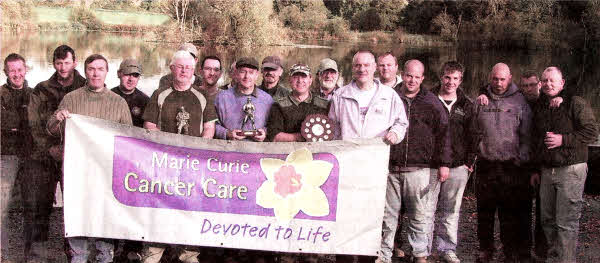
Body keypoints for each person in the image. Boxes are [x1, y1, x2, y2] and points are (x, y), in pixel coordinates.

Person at [47, 54, 132, 263]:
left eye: (100, 69)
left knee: (104, 225)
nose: (96, 73)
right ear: (85, 71)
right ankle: (78, 257)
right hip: (78, 174)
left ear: (107, 72)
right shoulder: (71, 98)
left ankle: (105, 256)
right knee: (78, 223)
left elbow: (129, 139)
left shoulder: (118, 102)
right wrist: (57, 119)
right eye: (92, 69)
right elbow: (50, 130)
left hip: (106, 174)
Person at [328, 50, 408, 263]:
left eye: (366, 65)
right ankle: (343, 258)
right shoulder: (340, 95)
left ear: (374, 67)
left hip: (374, 168)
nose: (362, 69)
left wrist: (396, 134)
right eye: (357, 65)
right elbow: (333, 129)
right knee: (345, 217)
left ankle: (366, 258)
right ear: (352, 68)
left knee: (370, 218)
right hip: (347, 167)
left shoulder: (389, 96)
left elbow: (401, 122)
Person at [381, 59, 451, 263]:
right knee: (388, 217)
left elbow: (444, 134)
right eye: (409, 75)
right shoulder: (389, 96)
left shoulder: (432, 102)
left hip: (419, 169)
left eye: (417, 77)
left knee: (418, 216)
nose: (412, 80)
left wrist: (444, 163)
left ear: (423, 78)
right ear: (403, 74)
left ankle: (420, 255)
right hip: (391, 168)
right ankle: (383, 255)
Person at [530, 67, 598, 263]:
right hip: (547, 171)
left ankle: (566, 260)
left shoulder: (575, 103)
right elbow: (535, 140)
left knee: (566, 222)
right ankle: (554, 258)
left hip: (570, 169)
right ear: (541, 84)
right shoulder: (541, 106)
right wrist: (535, 169)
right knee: (547, 220)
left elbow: (591, 132)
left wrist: (563, 140)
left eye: (553, 80)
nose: (549, 84)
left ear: (562, 83)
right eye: (545, 80)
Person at [25, 45, 87, 261]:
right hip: (46, 155)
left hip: (76, 156)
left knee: (75, 204)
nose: (63, 68)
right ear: (53, 64)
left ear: (75, 63)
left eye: (67, 63)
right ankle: (37, 252)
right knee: (41, 204)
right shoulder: (41, 89)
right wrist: (50, 149)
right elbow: (34, 125)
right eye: (59, 63)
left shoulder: (86, 86)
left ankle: (73, 251)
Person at [471, 63, 532, 263]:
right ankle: (485, 248)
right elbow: (472, 129)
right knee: (485, 211)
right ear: (490, 77)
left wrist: (521, 160)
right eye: (495, 78)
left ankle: (508, 249)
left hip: (509, 165)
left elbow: (526, 135)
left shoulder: (520, 101)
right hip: (486, 164)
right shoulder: (481, 100)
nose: (498, 83)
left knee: (508, 212)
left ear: (510, 78)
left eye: (502, 79)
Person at [430, 61, 477, 263]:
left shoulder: (467, 104)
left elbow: (474, 135)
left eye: (455, 78)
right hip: (430, 164)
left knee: (451, 209)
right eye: (447, 77)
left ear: (461, 80)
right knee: (426, 210)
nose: (451, 82)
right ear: (441, 77)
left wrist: (469, 162)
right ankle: (423, 249)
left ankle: (446, 248)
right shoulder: (428, 99)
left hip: (458, 166)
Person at [1, 53, 33, 258]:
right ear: (5, 72)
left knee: (33, 207)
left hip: (31, 157)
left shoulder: (35, 94)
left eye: (19, 69)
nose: (16, 74)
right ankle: (1, 251)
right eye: (12, 70)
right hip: (5, 156)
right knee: (1, 205)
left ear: (26, 70)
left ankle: (31, 254)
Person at [143, 50, 217, 139]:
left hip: (194, 149)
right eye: (180, 67)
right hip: (165, 149)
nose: (184, 71)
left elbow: (209, 128)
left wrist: (200, 146)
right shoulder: (158, 94)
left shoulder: (204, 96)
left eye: (188, 67)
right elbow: (149, 125)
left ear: (193, 70)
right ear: (172, 68)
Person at [214, 57, 273, 142]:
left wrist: (265, 132)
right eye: (243, 72)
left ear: (257, 75)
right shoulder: (221, 98)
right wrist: (227, 133)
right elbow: (212, 124)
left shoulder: (267, 100)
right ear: (236, 73)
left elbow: (272, 125)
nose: (247, 76)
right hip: (229, 148)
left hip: (257, 150)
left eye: (251, 72)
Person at [267, 63, 329, 142]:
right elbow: (274, 136)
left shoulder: (324, 105)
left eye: (304, 76)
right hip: (288, 151)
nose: (300, 80)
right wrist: (300, 137)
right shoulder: (278, 105)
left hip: (317, 150)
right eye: (295, 77)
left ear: (310, 80)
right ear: (290, 80)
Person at [111, 58, 150, 128]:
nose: (131, 79)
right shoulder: (109, 96)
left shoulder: (145, 101)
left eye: (135, 75)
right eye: (127, 74)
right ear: (118, 74)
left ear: (139, 78)